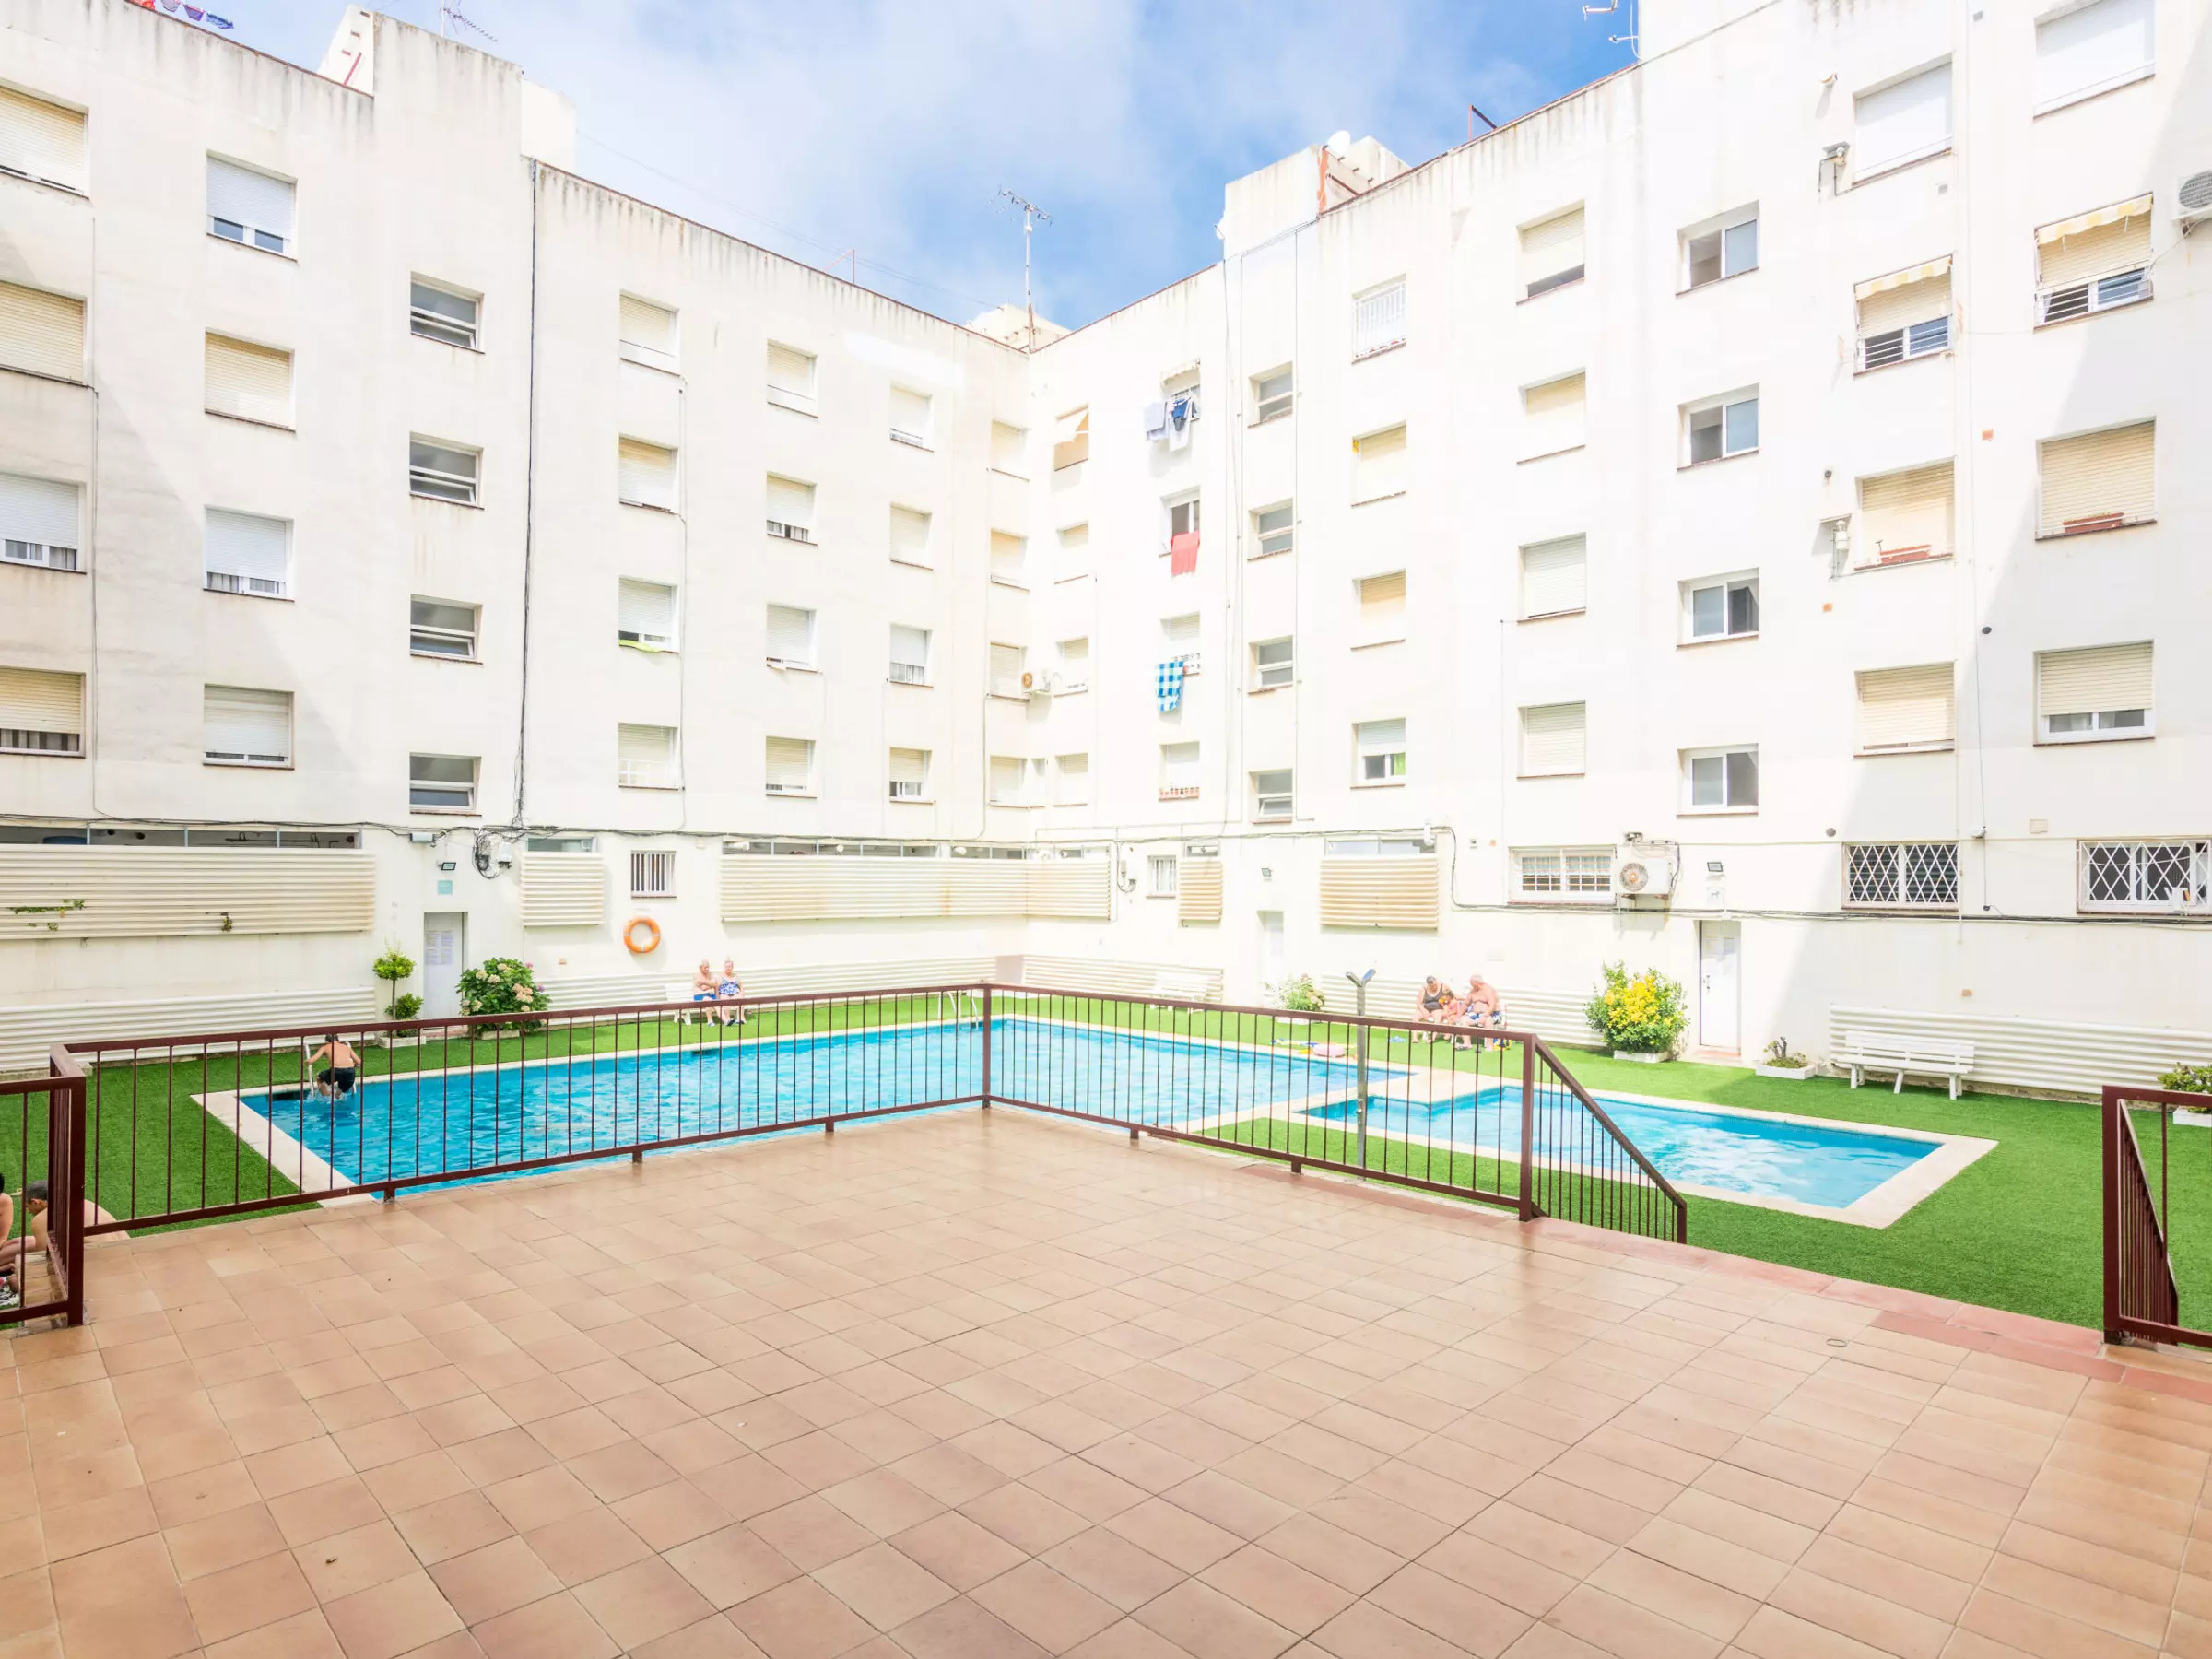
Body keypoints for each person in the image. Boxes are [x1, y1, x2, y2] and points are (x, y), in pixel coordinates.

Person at [1456, 974, 1506, 1050]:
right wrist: (1459, 1016)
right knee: (1463, 1019)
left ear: (1476, 983)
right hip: (1476, 1015)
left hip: (1491, 1014)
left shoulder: (1489, 991)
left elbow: (1492, 1006)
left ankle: (1489, 1046)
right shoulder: (1473, 991)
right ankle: (1467, 1044)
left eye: (1472, 983)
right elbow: (1466, 1004)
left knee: (1488, 1020)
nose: (1471, 985)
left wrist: (1485, 1015)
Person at [308, 1034, 359, 1100]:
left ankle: (327, 1098)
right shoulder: (347, 1047)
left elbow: (311, 1061)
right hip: (350, 1073)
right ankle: (337, 1098)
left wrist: (306, 1061)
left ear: (326, 1041)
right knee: (338, 1096)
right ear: (338, 1040)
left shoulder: (325, 1047)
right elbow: (359, 1062)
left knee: (319, 1077)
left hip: (336, 1071)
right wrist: (352, 1066)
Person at [717, 959, 747, 1027]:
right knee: (725, 1000)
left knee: (741, 1000)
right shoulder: (720, 976)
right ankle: (728, 1019)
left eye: (729, 966)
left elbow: (741, 986)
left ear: (732, 967)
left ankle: (741, 1018)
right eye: (726, 966)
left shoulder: (735, 976)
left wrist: (742, 994)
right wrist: (717, 997)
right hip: (724, 993)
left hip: (734, 993)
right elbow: (717, 988)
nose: (728, 968)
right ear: (724, 967)